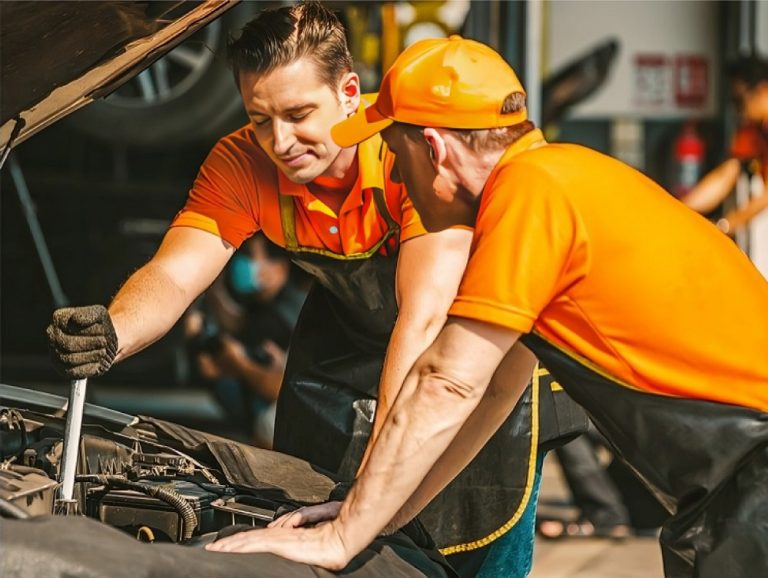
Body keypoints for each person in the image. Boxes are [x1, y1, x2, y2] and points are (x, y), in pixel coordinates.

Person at [46, 4, 585, 576]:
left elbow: (423, 322)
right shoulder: (241, 164)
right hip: (343, 347)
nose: (280, 140)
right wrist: (113, 330)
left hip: (466, 349)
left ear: (349, 92)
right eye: (259, 119)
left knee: (476, 535)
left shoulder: (409, 155)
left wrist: (371, 493)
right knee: (306, 514)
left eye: (299, 114)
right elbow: (176, 274)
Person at [207, 36, 768, 578]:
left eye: (395, 155)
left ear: (434, 147)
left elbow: (447, 380)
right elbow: (496, 390)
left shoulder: (530, 196)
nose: (396, 176)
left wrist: (341, 536)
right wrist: (378, 515)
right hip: (729, 481)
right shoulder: (559, 177)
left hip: (753, 471)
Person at [185, 233, 306, 447]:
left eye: (253, 255)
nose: (246, 263)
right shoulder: (263, 306)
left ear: (280, 266)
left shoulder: (290, 314)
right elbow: (238, 323)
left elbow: (281, 388)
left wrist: (239, 363)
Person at [682, 54, 768, 234]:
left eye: (739, 100)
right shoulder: (752, 130)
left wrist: (725, 225)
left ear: (762, 91)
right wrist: (679, 210)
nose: (737, 110)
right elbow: (726, 174)